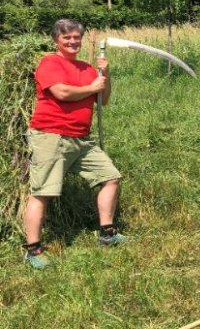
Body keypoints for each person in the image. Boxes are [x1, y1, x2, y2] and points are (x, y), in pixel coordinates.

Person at [23, 19, 125, 269]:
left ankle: (107, 233)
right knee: (43, 192)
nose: (72, 42)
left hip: (81, 139)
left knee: (111, 177)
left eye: (76, 38)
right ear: (56, 40)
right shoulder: (50, 62)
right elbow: (61, 92)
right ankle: (33, 249)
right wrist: (91, 86)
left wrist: (104, 75)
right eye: (66, 37)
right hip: (52, 136)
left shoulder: (87, 69)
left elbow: (103, 100)